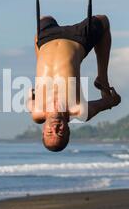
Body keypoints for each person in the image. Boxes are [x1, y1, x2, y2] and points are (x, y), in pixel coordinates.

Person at [27, 15, 121, 152]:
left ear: (43, 130)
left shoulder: (37, 113)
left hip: (46, 38)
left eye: (49, 132)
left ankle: (43, 49)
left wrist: (31, 95)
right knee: (103, 21)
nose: (55, 128)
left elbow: (29, 100)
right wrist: (111, 98)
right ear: (68, 131)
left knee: (44, 21)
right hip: (77, 39)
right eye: (59, 132)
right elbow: (108, 102)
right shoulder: (79, 110)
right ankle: (102, 77)